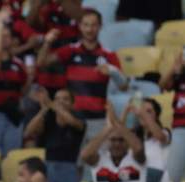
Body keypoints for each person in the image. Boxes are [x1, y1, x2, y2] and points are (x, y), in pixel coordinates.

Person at [37, 8, 127, 152]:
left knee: (95, 162)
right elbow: (41, 63)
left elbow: (124, 86)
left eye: (93, 25)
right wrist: (47, 42)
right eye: (86, 25)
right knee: (71, 163)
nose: (89, 29)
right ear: (80, 26)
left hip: (98, 120)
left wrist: (113, 72)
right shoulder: (70, 50)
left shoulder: (109, 55)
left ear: (100, 26)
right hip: (72, 118)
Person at [24, 87, 86, 182]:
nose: (60, 102)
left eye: (65, 99)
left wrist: (52, 104)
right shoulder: (49, 118)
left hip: (69, 170)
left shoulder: (78, 116)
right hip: (49, 168)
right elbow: (28, 132)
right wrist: (43, 110)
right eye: (57, 99)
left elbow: (72, 122)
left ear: (72, 104)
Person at [0, 9, 31, 158]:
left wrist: (30, 76)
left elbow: (23, 90)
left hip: (13, 115)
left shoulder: (18, 64)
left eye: (7, 36)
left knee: (11, 157)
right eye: (1, 35)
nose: (4, 39)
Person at [131, 98, 173, 182]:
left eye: (149, 111)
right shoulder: (134, 137)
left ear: (156, 115)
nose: (143, 113)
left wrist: (142, 112)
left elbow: (160, 136)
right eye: (142, 111)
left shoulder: (165, 132)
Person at [161, 51, 185, 182]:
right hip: (181, 130)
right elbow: (162, 85)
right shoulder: (180, 77)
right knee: (171, 179)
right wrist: (173, 68)